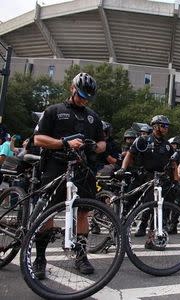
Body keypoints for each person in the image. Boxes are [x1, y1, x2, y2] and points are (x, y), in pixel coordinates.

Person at [33, 72, 106, 278]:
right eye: (81, 94)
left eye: (88, 97)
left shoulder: (93, 116)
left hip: (83, 169)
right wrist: (63, 142)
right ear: (71, 88)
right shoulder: (54, 111)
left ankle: (81, 255)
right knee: (48, 212)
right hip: (56, 165)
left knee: (83, 212)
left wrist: (95, 146)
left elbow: (102, 143)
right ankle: (40, 257)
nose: (84, 100)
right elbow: (38, 139)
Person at [119, 115, 176, 245]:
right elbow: (130, 154)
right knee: (128, 204)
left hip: (156, 180)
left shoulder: (167, 146)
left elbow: (173, 163)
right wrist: (123, 168)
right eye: (163, 125)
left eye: (167, 126)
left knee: (153, 209)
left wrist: (175, 179)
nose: (166, 128)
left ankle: (151, 239)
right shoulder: (143, 140)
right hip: (140, 177)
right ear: (155, 126)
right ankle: (119, 228)